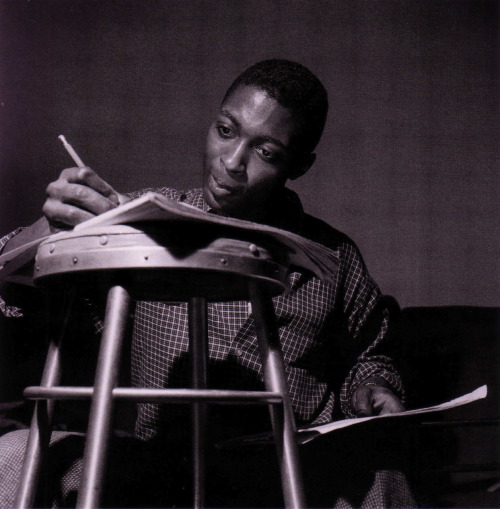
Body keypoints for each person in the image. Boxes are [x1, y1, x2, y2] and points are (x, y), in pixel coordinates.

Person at [0, 59, 416, 508]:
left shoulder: (334, 258)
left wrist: (371, 388)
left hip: (287, 471)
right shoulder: (142, 220)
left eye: (267, 152)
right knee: (11, 454)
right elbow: (11, 285)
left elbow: (371, 353)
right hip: (161, 466)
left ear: (300, 164)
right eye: (225, 130)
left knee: (381, 479)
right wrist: (53, 227)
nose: (233, 162)